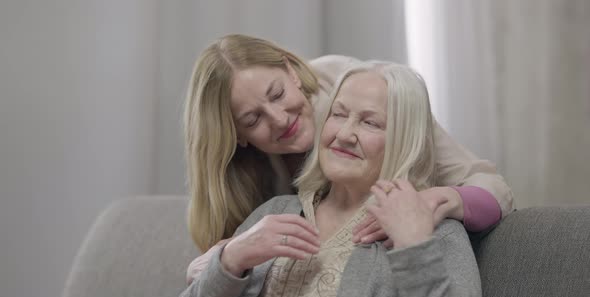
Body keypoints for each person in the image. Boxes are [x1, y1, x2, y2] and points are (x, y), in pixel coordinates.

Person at [160, 63, 484, 297]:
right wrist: (230, 261)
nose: (344, 134)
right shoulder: (273, 213)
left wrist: (415, 249)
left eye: (370, 122)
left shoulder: (436, 233)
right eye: (338, 114)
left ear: (404, 138)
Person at [184, 34, 513, 283]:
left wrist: (439, 200)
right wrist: (223, 259)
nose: (280, 119)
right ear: (236, 136)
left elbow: (491, 186)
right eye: (253, 119)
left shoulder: (363, 87)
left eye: (278, 94)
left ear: (291, 70)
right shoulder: (258, 192)